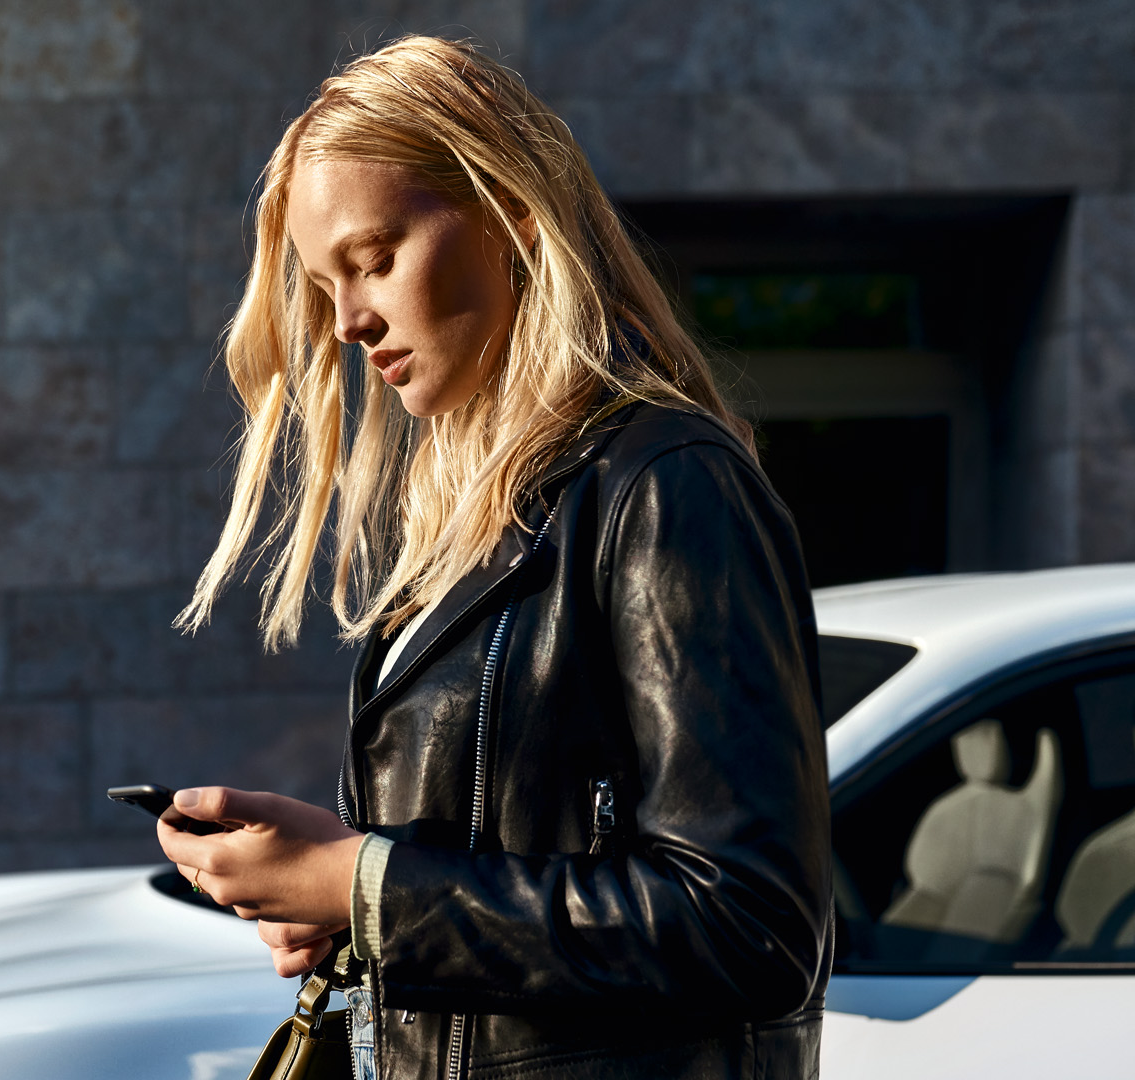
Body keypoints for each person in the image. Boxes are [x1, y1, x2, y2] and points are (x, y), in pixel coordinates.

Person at [157, 35, 831, 1080]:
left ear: (513, 216)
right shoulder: (488, 513)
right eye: (327, 283)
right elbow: (512, 863)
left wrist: (368, 887)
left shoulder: (665, 484)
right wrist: (343, 890)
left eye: (376, 258)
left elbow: (747, 925)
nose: (350, 322)